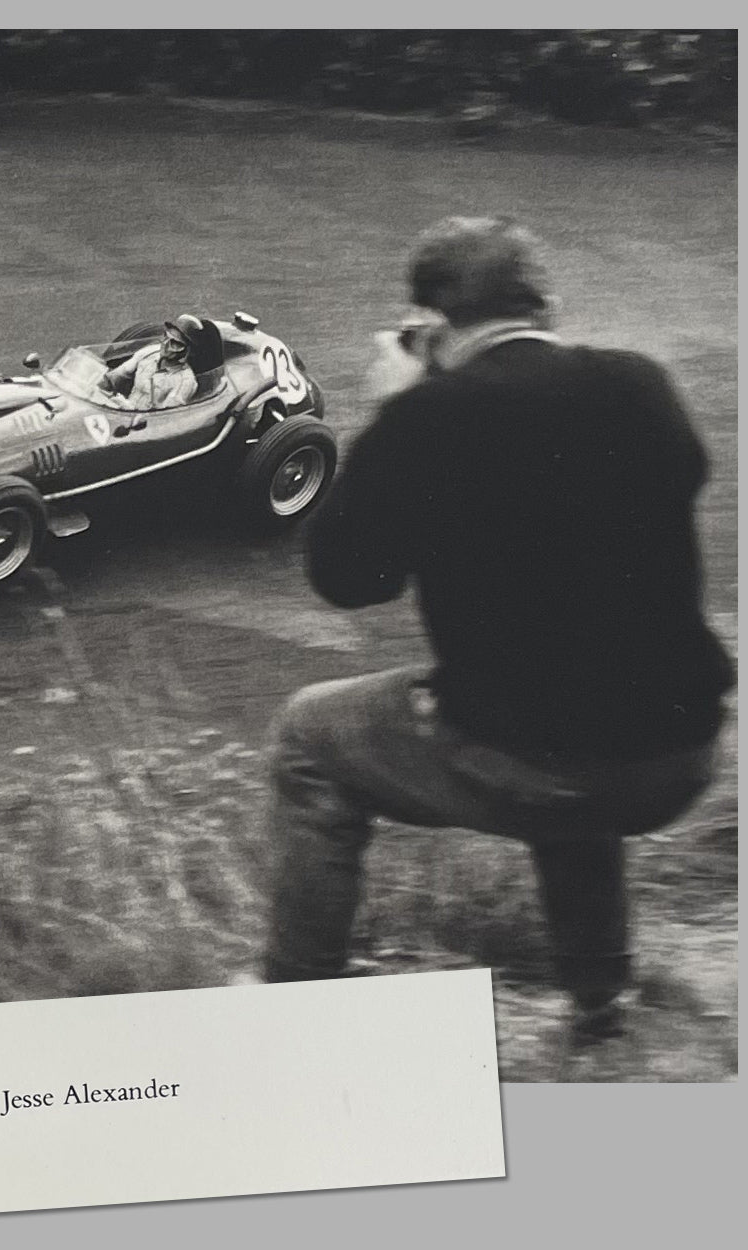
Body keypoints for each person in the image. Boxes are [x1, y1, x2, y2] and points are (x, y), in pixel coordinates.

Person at [263, 216, 734, 1041]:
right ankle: (598, 995)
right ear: (545, 305)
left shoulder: (428, 419)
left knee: (309, 736)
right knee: (567, 712)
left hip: (534, 760)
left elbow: (345, 579)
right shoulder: (643, 383)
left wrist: (387, 415)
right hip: (680, 753)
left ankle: (294, 1011)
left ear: (434, 327)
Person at [102, 316, 200, 410]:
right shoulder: (149, 352)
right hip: (121, 411)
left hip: (147, 423)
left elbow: (166, 416)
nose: (165, 345)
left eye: (175, 343)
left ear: (187, 351)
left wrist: (128, 409)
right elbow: (116, 375)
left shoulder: (185, 381)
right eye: (166, 337)